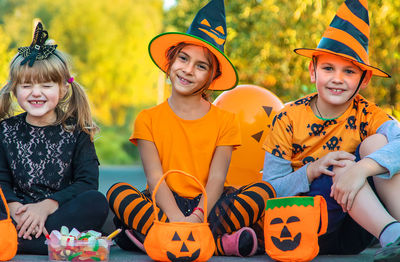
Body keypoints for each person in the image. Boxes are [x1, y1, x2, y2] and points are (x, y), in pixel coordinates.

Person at [107, 0, 275, 257]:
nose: (188, 70)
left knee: (264, 191)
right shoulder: (147, 118)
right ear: (170, 61)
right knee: (117, 192)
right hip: (165, 202)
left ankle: (157, 238)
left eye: (201, 66)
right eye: (183, 59)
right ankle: (215, 243)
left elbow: (217, 178)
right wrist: (176, 218)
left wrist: (196, 218)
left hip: (209, 204)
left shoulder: (226, 120)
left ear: (212, 76)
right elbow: (154, 178)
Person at [262, 0, 400, 261]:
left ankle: (396, 235)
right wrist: (313, 170)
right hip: (304, 228)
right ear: (313, 71)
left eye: (349, 71)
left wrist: (362, 169)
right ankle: (393, 233)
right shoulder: (287, 118)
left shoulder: (367, 113)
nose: (338, 78)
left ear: (364, 79)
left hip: (358, 228)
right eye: (328, 68)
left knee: (377, 143)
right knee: (340, 163)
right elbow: (269, 190)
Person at [0, 22, 109, 255]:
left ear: (62, 89)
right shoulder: (4, 131)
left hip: (57, 214)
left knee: (95, 201)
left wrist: (45, 207)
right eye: (27, 85)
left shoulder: (77, 131)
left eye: (46, 85)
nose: (36, 92)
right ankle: (48, 243)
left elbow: (87, 183)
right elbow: (1, 179)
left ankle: (23, 242)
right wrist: (16, 207)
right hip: (14, 214)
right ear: (14, 89)